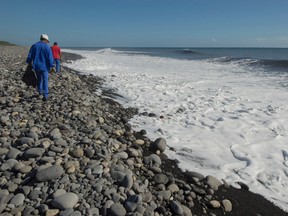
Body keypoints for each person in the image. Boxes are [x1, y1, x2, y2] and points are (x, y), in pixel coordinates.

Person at [26, 34, 54, 101]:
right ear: (45, 40)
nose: (47, 42)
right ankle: (46, 95)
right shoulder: (47, 47)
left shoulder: (34, 46)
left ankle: (40, 92)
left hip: (36, 66)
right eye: (47, 41)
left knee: (39, 79)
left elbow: (30, 56)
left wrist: (29, 63)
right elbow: (50, 58)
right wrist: (52, 66)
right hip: (44, 67)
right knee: (45, 80)